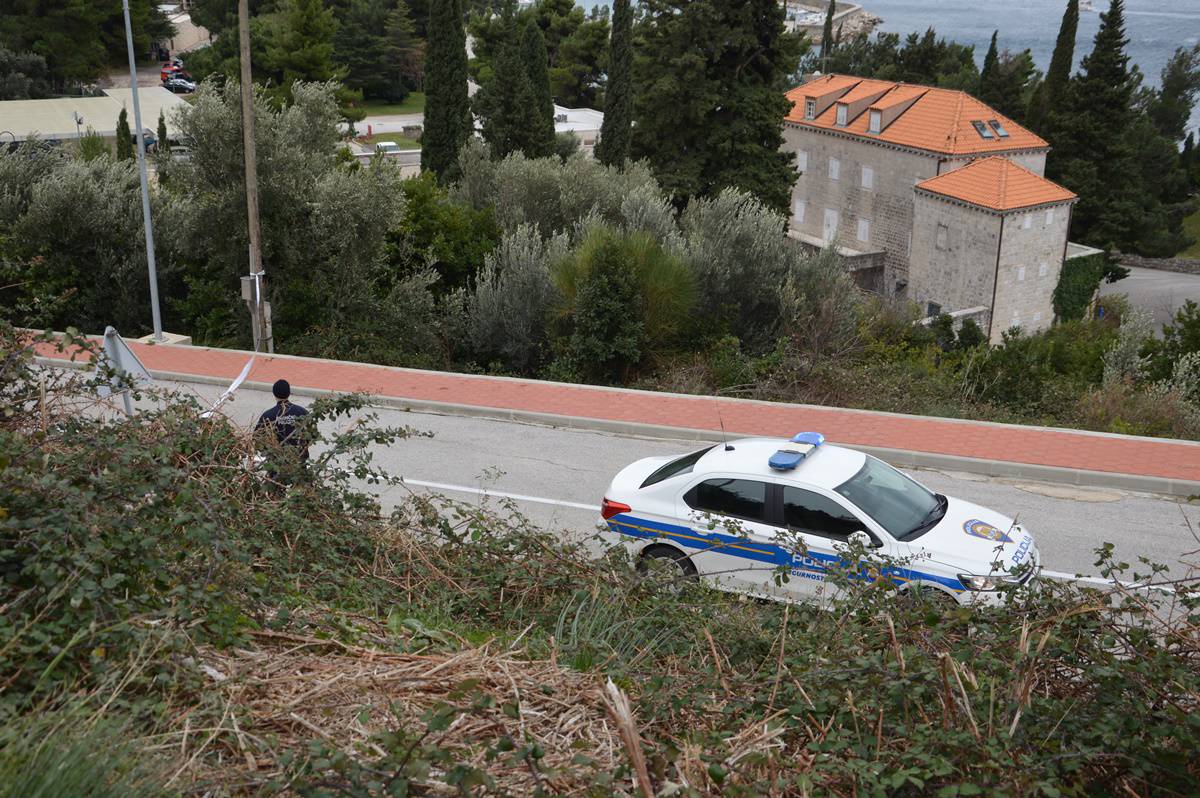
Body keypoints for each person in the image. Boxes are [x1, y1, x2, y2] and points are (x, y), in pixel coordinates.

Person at [255, 380, 310, 473]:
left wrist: (269, 450)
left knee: (276, 486)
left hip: (277, 462)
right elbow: (311, 435)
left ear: (274, 394)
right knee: (300, 486)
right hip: (299, 459)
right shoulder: (302, 412)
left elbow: (257, 438)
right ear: (289, 393)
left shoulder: (268, 415)